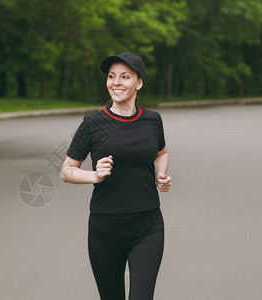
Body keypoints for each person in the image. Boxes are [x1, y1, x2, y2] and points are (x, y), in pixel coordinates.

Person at [60, 52, 172, 300]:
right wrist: (94, 176)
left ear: (138, 83)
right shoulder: (93, 123)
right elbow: (66, 171)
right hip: (105, 229)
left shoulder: (153, 121)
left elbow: (161, 153)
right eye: (111, 77)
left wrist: (161, 174)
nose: (116, 82)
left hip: (148, 225)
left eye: (125, 77)